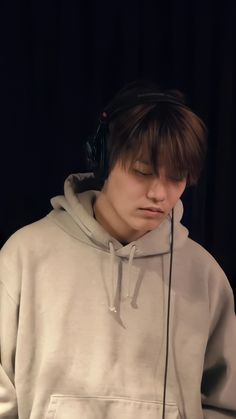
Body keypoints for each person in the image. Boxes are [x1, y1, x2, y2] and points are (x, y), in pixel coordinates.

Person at [0, 81, 235, 419]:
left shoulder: (204, 274)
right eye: (143, 171)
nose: (160, 194)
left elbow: (225, 402)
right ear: (103, 160)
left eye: (177, 178)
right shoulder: (24, 256)